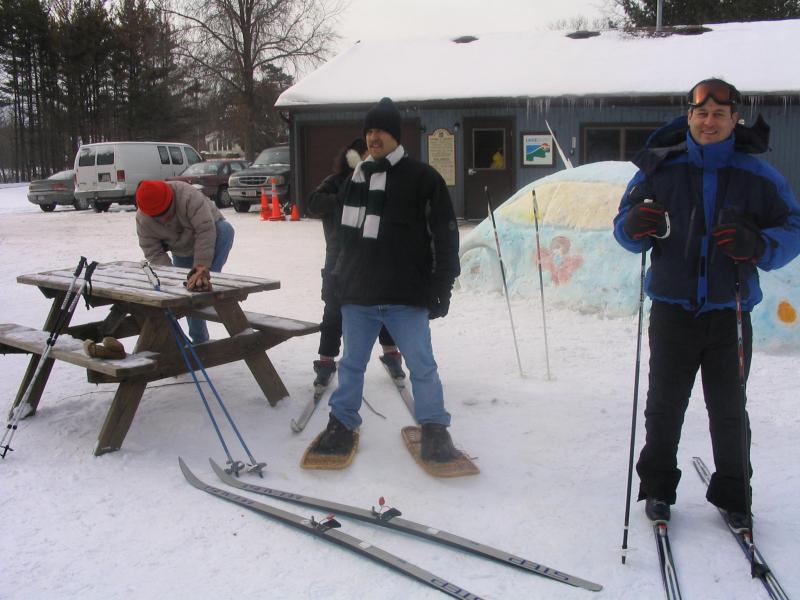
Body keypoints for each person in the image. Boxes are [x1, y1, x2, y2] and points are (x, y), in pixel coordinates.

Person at [613, 78, 800, 528]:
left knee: (730, 409)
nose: (709, 121)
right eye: (701, 113)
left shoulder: (757, 175)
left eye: (720, 114)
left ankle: (734, 494)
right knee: (663, 406)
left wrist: (758, 244)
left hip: (729, 311)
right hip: (673, 310)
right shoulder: (659, 169)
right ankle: (657, 489)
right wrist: (635, 224)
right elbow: (623, 228)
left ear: (735, 119)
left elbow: (792, 227)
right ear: (689, 117)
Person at [311, 97, 462, 462]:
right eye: (369, 131)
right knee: (351, 366)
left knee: (422, 366)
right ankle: (342, 422)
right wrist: (333, 280)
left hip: (406, 295)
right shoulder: (355, 180)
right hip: (358, 295)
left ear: (394, 134)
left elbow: (445, 235)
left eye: (380, 130)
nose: (373, 137)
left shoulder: (423, 178)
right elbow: (341, 241)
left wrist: (441, 285)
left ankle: (435, 428)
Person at [307, 139, 405, 386]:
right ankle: (326, 360)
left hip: (375, 258)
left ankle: (391, 354)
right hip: (338, 257)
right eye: (365, 154)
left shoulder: (382, 180)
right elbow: (313, 203)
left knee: (382, 306)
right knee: (333, 311)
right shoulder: (337, 181)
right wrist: (346, 198)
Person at [135, 179, 235, 344]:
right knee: (186, 292)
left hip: (211, 234)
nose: (165, 217)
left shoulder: (188, 196)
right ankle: (199, 341)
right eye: (158, 215)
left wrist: (201, 269)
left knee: (226, 230)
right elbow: (153, 251)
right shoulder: (143, 219)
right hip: (181, 248)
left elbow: (205, 230)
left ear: (170, 199)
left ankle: (208, 281)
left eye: (166, 211)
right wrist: (172, 278)